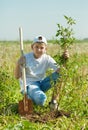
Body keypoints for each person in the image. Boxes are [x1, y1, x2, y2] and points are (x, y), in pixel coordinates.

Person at [14, 35, 69, 106]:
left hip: (41, 83)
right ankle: (30, 98)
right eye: (36, 47)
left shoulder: (47, 58)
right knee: (41, 99)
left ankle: (53, 103)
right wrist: (18, 64)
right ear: (32, 47)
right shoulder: (25, 58)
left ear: (46, 49)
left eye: (42, 48)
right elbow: (17, 76)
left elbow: (61, 71)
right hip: (29, 85)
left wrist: (64, 60)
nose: (39, 50)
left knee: (61, 76)